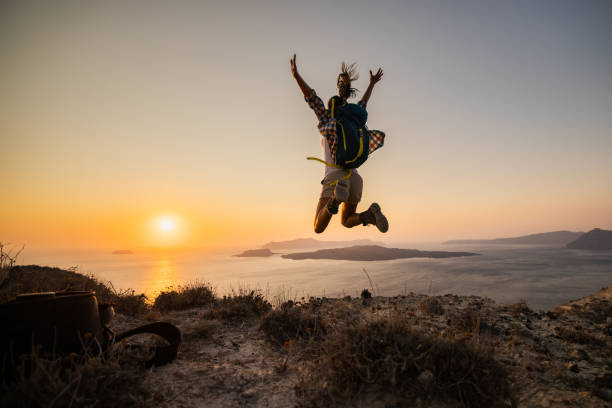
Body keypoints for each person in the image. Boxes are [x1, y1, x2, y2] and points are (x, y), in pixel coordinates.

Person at [290, 54, 389, 234]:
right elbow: (363, 103)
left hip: (336, 177)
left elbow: (312, 99)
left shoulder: (328, 119)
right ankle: (369, 216)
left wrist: (296, 76)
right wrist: (372, 84)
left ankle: (334, 200)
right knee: (346, 220)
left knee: (318, 227)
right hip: (355, 178)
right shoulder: (353, 118)